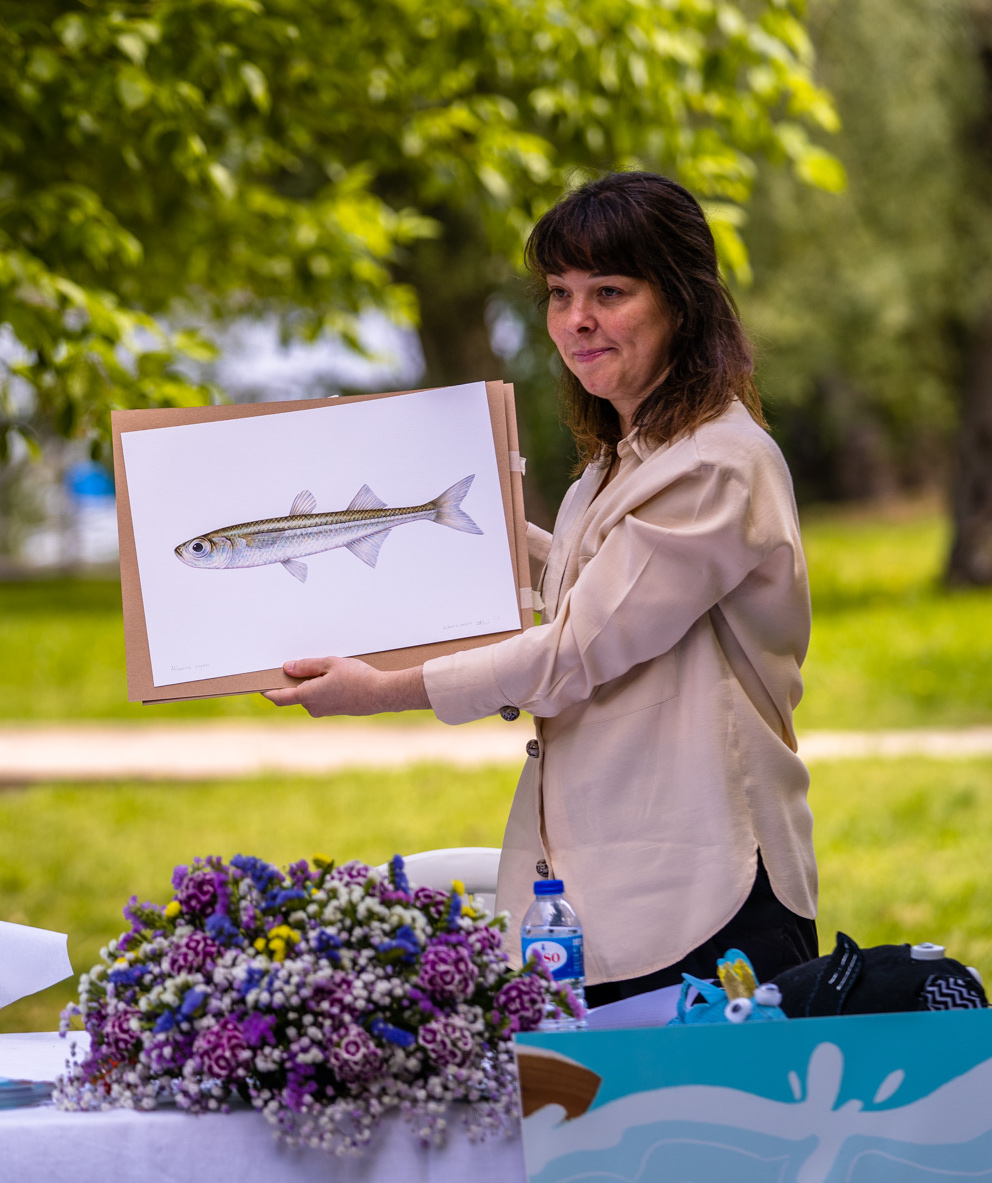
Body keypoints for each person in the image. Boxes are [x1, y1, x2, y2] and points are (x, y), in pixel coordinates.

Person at [264, 171, 817, 1007]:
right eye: (560, 294)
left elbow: (578, 648)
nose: (576, 320)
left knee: (692, 1135)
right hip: (614, 885)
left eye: (609, 291)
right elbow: (606, 583)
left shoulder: (716, 463)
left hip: (701, 890)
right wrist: (443, 520)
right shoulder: (620, 462)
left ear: (682, 302)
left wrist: (379, 690)